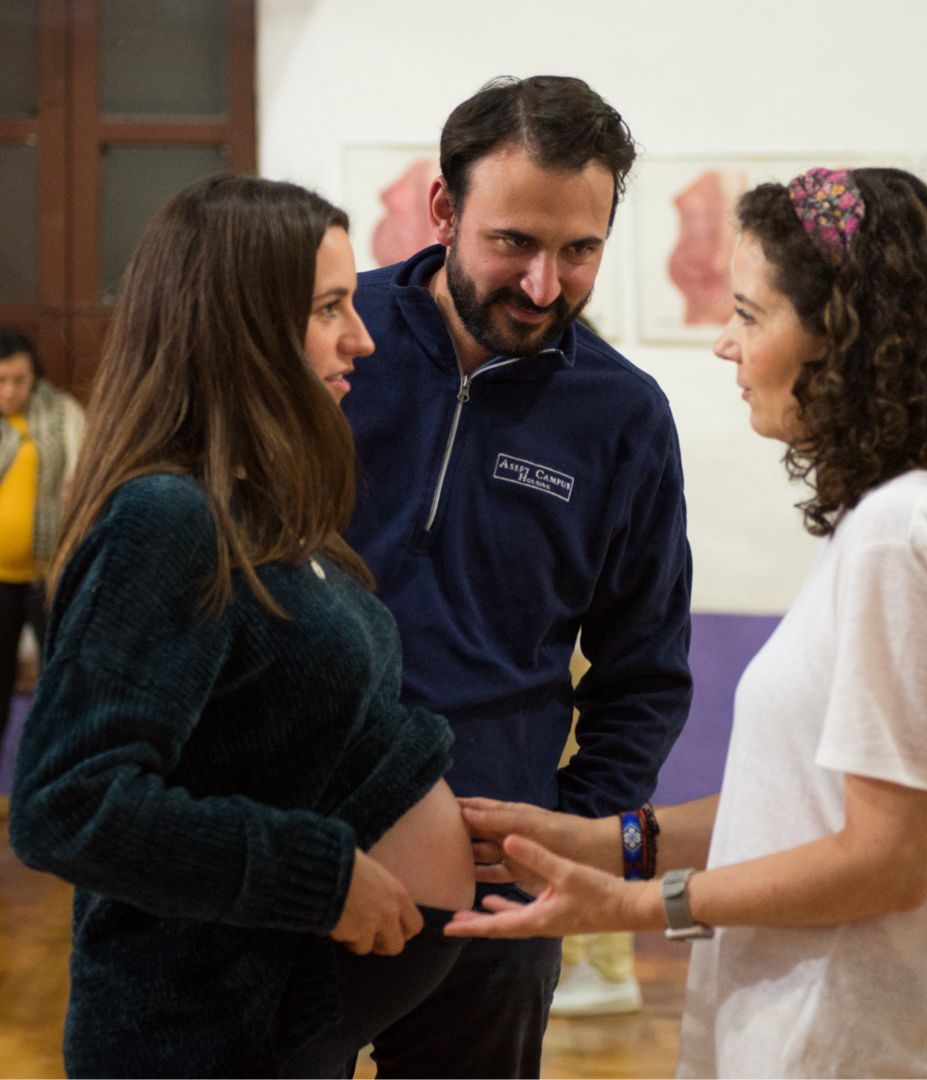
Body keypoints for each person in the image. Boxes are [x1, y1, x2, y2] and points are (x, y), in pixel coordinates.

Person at [448, 166, 927, 1079]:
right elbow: (815, 806)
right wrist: (609, 843)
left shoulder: (906, 533)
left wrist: (639, 907)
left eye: (751, 314)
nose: (725, 342)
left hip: (851, 1047)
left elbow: (889, 859)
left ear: (845, 337)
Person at [8, 175, 476, 1079]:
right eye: (329, 307)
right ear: (243, 329)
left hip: (280, 1027)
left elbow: (271, 746)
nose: (363, 337)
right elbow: (67, 804)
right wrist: (324, 878)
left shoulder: (264, 514)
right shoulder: (169, 520)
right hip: (198, 1039)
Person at [341, 75, 693, 1077]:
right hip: (296, 866)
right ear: (443, 211)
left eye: (579, 251)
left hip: (491, 905)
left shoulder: (622, 417)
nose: (544, 286)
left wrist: (573, 833)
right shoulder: (326, 347)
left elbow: (646, 673)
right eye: (515, 244)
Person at [0, 328, 84, 749]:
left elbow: (84, 469)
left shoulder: (61, 413)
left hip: (48, 574)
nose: (10, 390)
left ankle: (51, 783)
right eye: (0, 381)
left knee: (60, 682)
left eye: (19, 380)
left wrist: (77, 485)